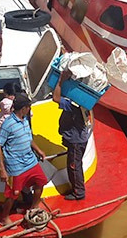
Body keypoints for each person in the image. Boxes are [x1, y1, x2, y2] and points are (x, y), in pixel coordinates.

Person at [0, 94, 48, 225]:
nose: (30, 108)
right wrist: (2, 169)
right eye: (29, 106)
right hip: (15, 166)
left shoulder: (25, 120)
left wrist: (39, 150)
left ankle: (34, 207)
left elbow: (29, 139)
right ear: (24, 108)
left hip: (30, 162)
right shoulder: (8, 124)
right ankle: (4, 218)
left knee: (41, 182)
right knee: (13, 194)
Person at [53, 67, 92, 201]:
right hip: (78, 137)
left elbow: (56, 98)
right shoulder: (83, 103)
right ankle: (77, 188)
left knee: (74, 166)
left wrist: (60, 81)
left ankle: (78, 192)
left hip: (76, 141)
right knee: (75, 163)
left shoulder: (73, 106)